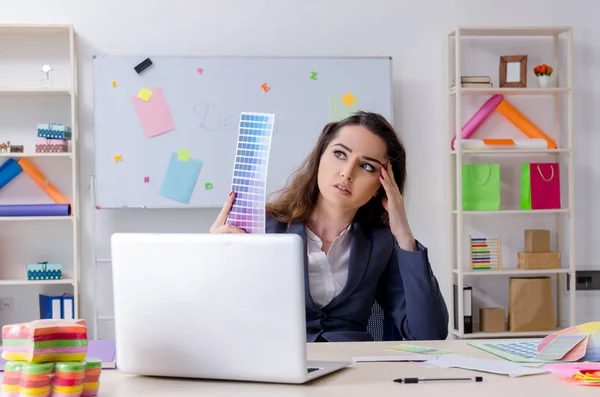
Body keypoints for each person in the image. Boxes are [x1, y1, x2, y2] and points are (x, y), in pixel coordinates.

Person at [210, 111, 448, 342]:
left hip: (352, 370)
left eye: (367, 167)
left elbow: (429, 334)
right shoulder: (262, 228)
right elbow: (222, 319)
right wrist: (215, 261)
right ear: (319, 158)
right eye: (340, 154)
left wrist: (405, 236)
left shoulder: (382, 244)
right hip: (275, 365)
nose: (346, 173)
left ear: (382, 186)